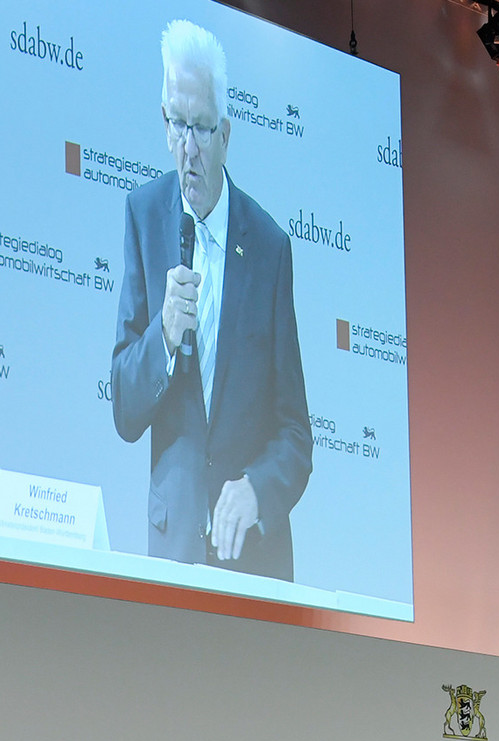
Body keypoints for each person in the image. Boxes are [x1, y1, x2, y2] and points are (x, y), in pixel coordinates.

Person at [110, 19, 311, 582]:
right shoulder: (144, 216)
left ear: (227, 132)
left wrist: (258, 489)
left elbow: (296, 434)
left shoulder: (269, 248)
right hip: (172, 553)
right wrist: (163, 340)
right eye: (177, 126)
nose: (188, 150)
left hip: (252, 563)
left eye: (200, 128)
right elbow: (125, 411)